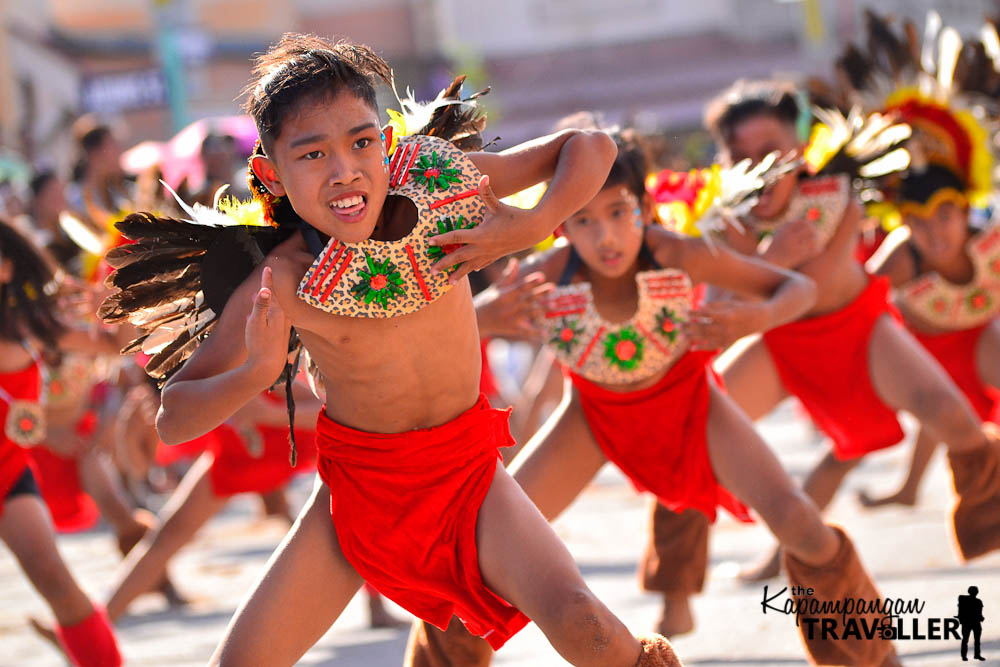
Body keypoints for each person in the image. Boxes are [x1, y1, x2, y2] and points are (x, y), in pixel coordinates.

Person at [102, 35, 680, 666]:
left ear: (388, 140)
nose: (345, 170)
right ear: (271, 173)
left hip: (470, 477)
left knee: (587, 626)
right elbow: (174, 415)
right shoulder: (284, 280)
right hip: (359, 496)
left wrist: (533, 222)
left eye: (362, 141)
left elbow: (591, 147)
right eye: (312, 153)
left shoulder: (438, 184)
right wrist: (257, 372)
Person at [407, 127, 900, 667]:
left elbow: (796, 288)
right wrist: (483, 320)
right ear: (562, 224)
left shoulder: (675, 253)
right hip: (592, 420)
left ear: (645, 207)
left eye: (619, 212)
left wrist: (758, 317)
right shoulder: (545, 275)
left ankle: (873, 656)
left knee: (802, 526)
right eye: (584, 220)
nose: (605, 236)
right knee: (479, 563)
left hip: (692, 408)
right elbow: (429, 336)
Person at [698, 79, 1000, 581]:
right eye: (741, 155)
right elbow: (718, 320)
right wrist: (772, 261)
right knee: (696, 426)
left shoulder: (838, 194)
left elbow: (807, 291)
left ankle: (987, 519)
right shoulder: (724, 222)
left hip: (860, 333)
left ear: (799, 146)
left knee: (952, 417)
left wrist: (764, 273)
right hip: (780, 345)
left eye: (771, 151)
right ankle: (681, 591)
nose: (760, 167)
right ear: (724, 161)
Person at [0, 218, 122, 666]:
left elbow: (115, 345)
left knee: (55, 579)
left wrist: (114, 302)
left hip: (10, 476)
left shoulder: (32, 324)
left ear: (7, 269)